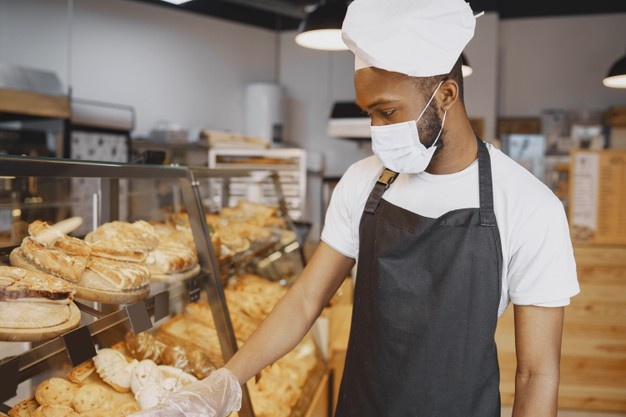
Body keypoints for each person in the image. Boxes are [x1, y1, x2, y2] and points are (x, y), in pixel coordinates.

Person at [133, 0, 580, 416]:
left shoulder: (528, 204)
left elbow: (536, 371)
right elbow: (307, 299)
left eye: (387, 112)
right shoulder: (365, 182)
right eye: (368, 113)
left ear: (445, 96)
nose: (375, 130)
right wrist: (226, 380)